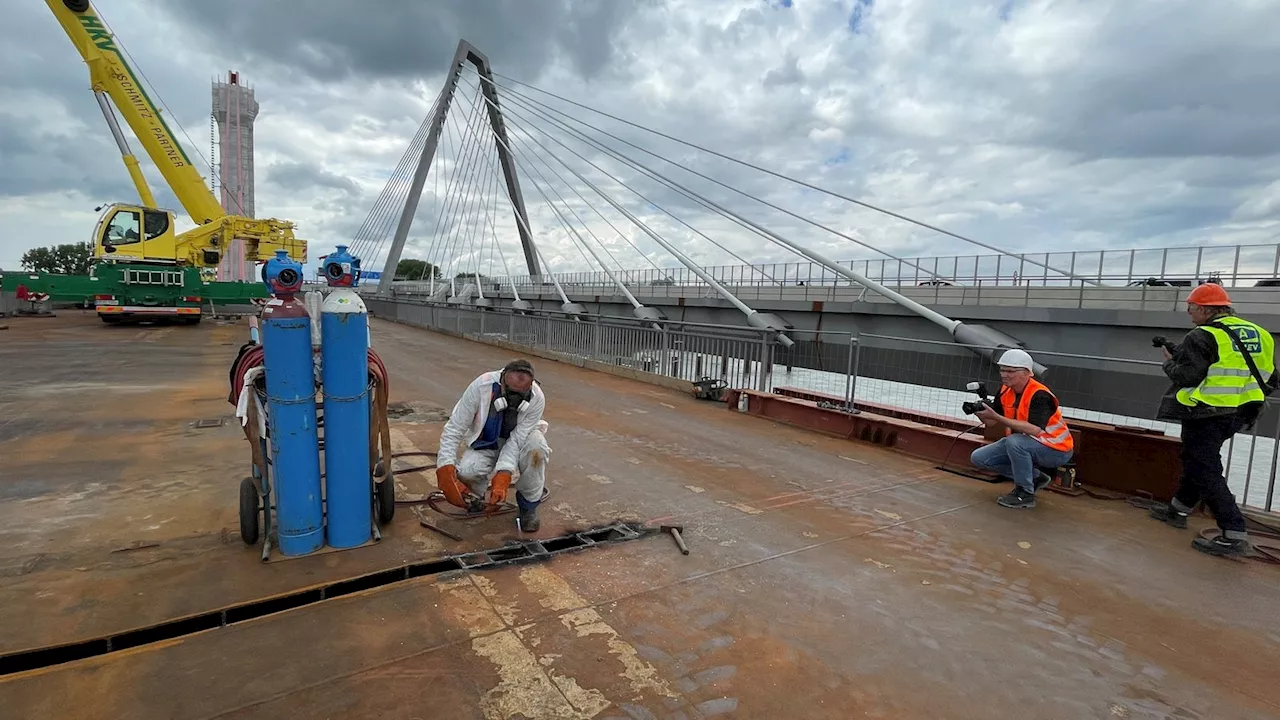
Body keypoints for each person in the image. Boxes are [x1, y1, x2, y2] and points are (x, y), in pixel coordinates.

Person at [1148, 283, 1275, 558]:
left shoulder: (1202, 335)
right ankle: (1179, 509)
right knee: (1198, 458)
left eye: (1191, 307)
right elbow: (1270, 375)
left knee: (1204, 466)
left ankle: (1233, 531)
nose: (1189, 312)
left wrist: (1169, 363)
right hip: (1241, 410)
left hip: (1208, 410)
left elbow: (1188, 377)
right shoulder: (1260, 333)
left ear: (1206, 309)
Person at [434, 359, 551, 531]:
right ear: (502, 380)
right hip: (487, 439)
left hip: (521, 440)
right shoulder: (481, 386)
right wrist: (444, 467)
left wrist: (504, 473)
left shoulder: (537, 397)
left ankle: (528, 506)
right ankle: (475, 500)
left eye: (520, 393)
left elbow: (517, 440)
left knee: (537, 450)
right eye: (511, 392)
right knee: (467, 471)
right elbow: (455, 428)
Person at [969, 348, 1075, 509]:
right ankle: (1035, 478)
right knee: (979, 458)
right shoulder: (1005, 391)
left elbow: (1035, 430)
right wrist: (980, 413)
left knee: (1015, 442)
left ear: (1027, 373)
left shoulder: (1040, 395)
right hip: (1023, 443)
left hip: (1056, 450)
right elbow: (991, 423)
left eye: (1010, 371)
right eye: (1002, 370)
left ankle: (1025, 493)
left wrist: (996, 416)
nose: (1004, 375)